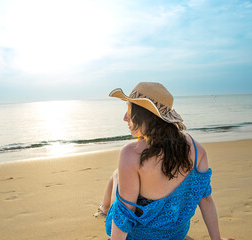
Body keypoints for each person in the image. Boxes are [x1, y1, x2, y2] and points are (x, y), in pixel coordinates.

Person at [98, 82, 233, 240]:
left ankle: (103, 208)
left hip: (140, 236)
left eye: (129, 110)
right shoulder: (197, 151)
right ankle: (104, 207)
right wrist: (217, 239)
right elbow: (206, 199)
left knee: (117, 176)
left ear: (144, 114)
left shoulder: (131, 154)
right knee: (118, 176)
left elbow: (123, 215)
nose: (125, 117)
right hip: (176, 235)